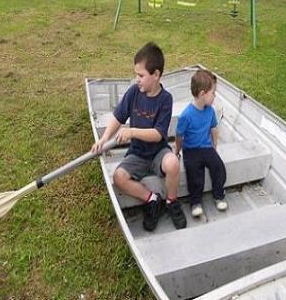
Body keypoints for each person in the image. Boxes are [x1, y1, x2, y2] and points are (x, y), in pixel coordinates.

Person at [91, 42, 186, 231]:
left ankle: (171, 201)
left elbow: (158, 134)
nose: (137, 79)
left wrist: (132, 132)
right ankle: (152, 199)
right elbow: (118, 117)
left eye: (141, 75)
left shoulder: (165, 99)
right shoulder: (134, 92)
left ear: (156, 75)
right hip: (137, 154)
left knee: (173, 163)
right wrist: (104, 138)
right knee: (119, 177)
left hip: (158, 151)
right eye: (136, 75)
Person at [175, 69, 228, 217]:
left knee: (218, 166)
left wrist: (214, 147)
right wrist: (177, 150)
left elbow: (213, 128)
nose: (215, 96)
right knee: (194, 173)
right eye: (213, 93)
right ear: (202, 94)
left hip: (206, 148)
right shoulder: (186, 115)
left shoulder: (210, 111)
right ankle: (195, 202)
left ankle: (218, 195)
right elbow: (179, 135)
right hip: (191, 150)